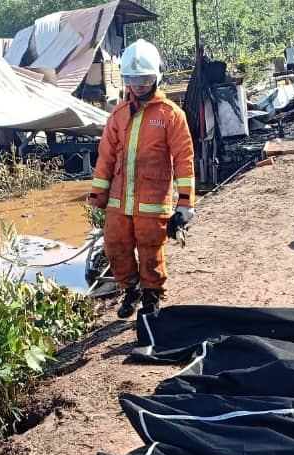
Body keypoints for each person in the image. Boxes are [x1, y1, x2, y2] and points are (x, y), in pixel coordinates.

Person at [88, 39, 195, 318]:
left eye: (144, 79)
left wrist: (185, 205)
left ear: (156, 77)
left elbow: (184, 160)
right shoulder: (118, 115)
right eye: (133, 79)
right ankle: (130, 290)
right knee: (115, 247)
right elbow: (105, 158)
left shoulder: (171, 115)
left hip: (153, 203)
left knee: (150, 252)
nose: (138, 85)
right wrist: (98, 195)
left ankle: (151, 297)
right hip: (119, 201)